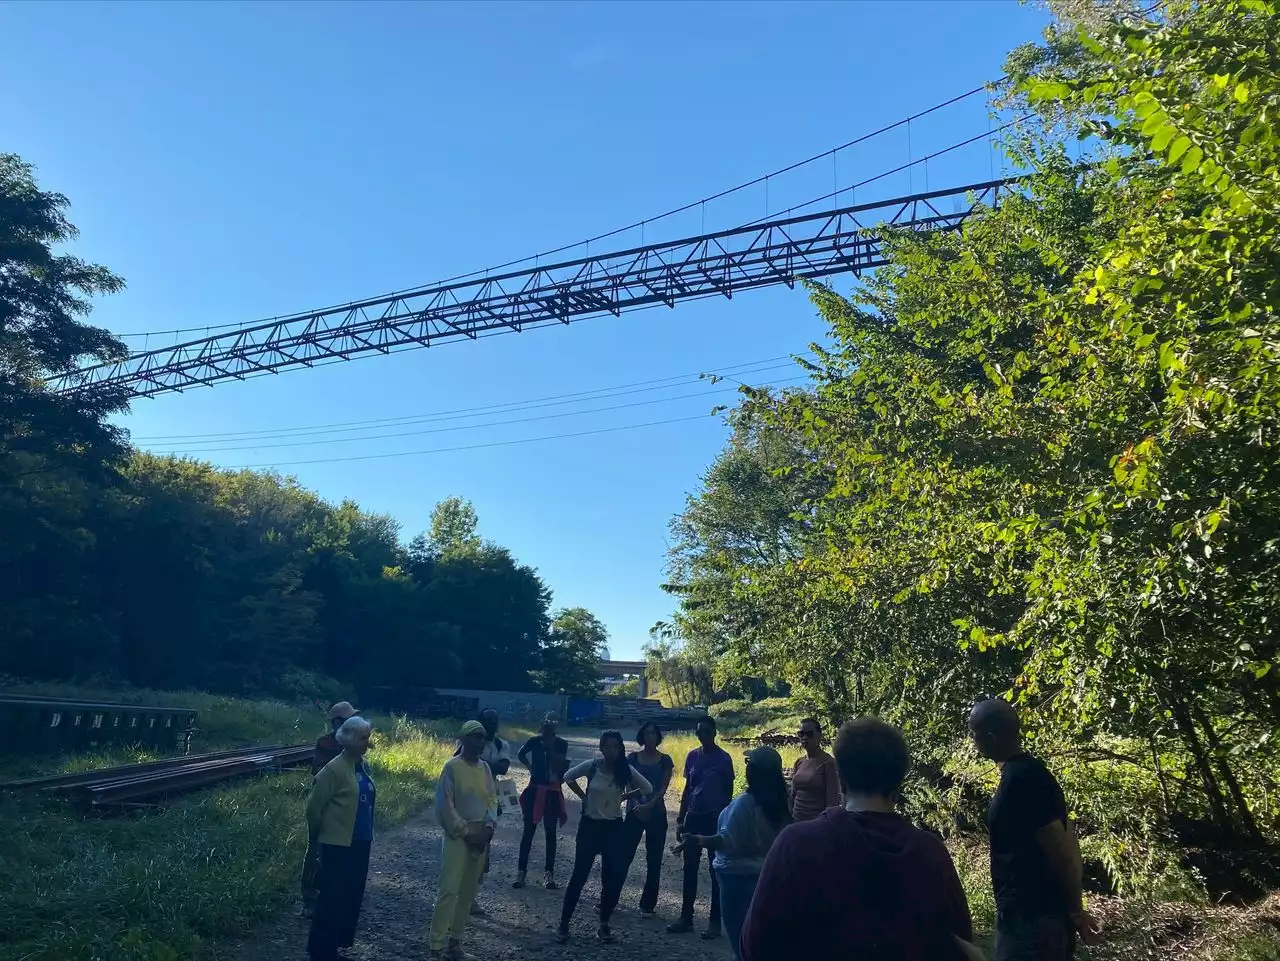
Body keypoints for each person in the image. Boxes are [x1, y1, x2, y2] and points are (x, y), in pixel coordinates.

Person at [740, 718, 977, 961]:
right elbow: (959, 943)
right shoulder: (931, 852)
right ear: (898, 781)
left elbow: (755, 945)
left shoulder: (796, 845)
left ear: (841, 777)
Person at [969, 698, 1102, 960]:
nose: (972, 739)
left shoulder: (1021, 781)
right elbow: (1069, 838)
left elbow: (1060, 849)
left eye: (975, 733)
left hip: (1031, 922)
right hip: (1034, 918)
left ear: (991, 737)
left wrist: (1076, 911)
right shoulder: (1032, 774)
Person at [677, 746, 790, 961]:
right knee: (758, 939)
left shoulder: (744, 804)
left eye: (749, 764)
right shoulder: (781, 804)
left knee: (739, 941)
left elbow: (726, 841)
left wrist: (698, 839)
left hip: (735, 878)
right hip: (765, 875)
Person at [556, 730, 654, 945]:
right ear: (601, 748)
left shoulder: (624, 770)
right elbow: (567, 777)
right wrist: (584, 796)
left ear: (620, 749)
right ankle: (564, 923)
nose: (611, 751)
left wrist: (624, 796)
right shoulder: (592, 766)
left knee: (610, 879)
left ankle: (603, 924)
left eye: (615, 747)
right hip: (590, 827)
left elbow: (647, 787)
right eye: (607, 746)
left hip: (613, 829)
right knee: (579, 876)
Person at [305, 715, 376, 961]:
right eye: (364, 738)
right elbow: (313, 809)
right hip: (338, 844)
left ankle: (333, 947)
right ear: (352, 740)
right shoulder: (333, 770)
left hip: (359, 842)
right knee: (331, 897)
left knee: (349, 896)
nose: (368, 742)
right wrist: (317, 838)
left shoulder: (361, 766)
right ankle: (320, 951)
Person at [430, 720, 500, 960]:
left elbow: (492, 799)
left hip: (481, 836)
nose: (481, 741)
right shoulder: (452, 767)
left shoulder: (485, 768)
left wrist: (489, 828)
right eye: (476, 736)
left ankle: (455, 943)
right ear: (464, 739)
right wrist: (465, 831)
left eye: (483, 737)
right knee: (448, 891)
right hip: (457, 837)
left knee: (468, 892)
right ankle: (436, 946)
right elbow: (445, 806)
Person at [669, 715, 734, 938]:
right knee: (689, 868)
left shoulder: (724, 759)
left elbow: (728, 792)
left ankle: (715, 922)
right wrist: (680, 819)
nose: (702, 735)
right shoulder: (692, 756)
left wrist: (725, 821)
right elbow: (688, 789)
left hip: (715, 818)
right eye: (699, 732)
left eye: (706, 731)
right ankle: (686, 917)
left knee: (715, 869)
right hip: (694, 817)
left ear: (714, 733)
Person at [301, 701, 361, 917]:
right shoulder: (326, 743)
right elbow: (318, 772)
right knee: (315, 851)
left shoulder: (355, 745)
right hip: (325, 807)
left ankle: (332, 897)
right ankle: (309, 899)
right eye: (346, 720)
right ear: (337, 722)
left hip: (345, 810)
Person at [455, 708, 512, 915]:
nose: (491, 723)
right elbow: (457, 763)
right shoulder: (475, 743)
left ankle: (471, 898)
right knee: (459, 849)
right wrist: (488, 764)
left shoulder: (500, 744)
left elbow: (504, 768)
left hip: (489, 800)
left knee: (482, 850)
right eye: (487, 719)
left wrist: (476, 761)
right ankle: (458, 896)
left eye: (494, 720)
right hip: (465, 800)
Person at [624, 721, 676, 917]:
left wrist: (649, 805)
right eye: (646, 733)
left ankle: (648, 905)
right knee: (624, 856)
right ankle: (610, 897)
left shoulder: (665, 760)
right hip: (633, 813)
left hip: (656, 814)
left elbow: (663, 788)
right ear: (641, 736)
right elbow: (627, 784)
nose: (650, 736)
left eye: (653, 733)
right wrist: (637, 803)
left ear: (658, 736)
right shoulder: (632, 758)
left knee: (653, 860)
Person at [513, 714, 570, 890]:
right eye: (545, 730)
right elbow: (521, 754)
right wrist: (530, 767)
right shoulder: (534, 741)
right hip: (535, 788)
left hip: (552, 791)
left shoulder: (561, 743)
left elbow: (559, 765)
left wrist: (550, 748)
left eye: (550, 731)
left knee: (550, 832)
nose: (547, 734)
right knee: (528, 832)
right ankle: (521, 872)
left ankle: (549, 873)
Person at [790, 717, 840, 821]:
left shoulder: (828, 763)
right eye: (801, 734)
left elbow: (832, 802)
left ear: (819, 736)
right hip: (796, 821)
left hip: (816, 823)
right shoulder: (799, 762)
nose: (804, 738)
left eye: (809, 734)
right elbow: (793, 796)